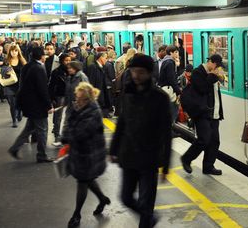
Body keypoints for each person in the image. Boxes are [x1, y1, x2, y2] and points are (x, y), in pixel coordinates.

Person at [110, 54, 172, 228]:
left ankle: (147, 220)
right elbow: (121, 123)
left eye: (140, 72)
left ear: (150, 73)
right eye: (133, 71)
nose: (136, 75)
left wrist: (165, 166)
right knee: (125, 197)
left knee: (146, 203)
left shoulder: (160, 98)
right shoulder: (128, 92)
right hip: (128, 155)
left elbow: (166, 133)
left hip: (149, 158)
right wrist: (113, 149)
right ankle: (149, 218)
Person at [62, 82, 110, 228]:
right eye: (76, 98)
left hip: (90, 154)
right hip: (81, 153)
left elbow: (80, 133)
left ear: (87, 100)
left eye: (78, 99)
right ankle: (102, 199)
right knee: (87, 180)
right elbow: (70, 125)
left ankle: (77, 214)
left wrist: (67, 136)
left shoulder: (94, 112)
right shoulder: (80, 108)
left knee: (83, 181)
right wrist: (73, 113)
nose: (76, 101)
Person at [8, 46, 55, 163]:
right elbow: (42, 89)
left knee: (29, 129)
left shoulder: (28, 66)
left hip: (28, 104)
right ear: (41, 56)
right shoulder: (39, 68)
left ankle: (14, 148)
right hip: (37, 106)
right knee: (43, 130)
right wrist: (48, 105)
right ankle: (42, 155)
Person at [180, 54, 225, 175]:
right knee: (204, 139)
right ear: (211, 62)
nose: (217, 69)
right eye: (217, 66)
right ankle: (186, 159)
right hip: (201, 112)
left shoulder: (213, 75)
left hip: (214, 113)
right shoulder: (197, 72)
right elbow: (203, 88)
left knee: (214, 141)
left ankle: (208, 166)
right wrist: (213, 75)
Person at [0, 44, 27, 127]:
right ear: (9, 51)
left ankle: (19, 112)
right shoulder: (6, 60)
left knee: (18, 102)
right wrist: (5, 71)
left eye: (15, 50)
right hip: (9, 85)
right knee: (12, 104)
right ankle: (14, 120)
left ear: (18, 51)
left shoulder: (22, 61)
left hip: (20, 85)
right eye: (12, 51)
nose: (14, 52)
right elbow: (1, 71)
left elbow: (26, 73)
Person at [48, 53, 70, 145]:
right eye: (66, 60)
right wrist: (52, 98)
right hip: (59, 96)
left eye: (69, 60)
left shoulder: (72, 71)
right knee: (58, 117)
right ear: (61, 61)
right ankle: (57, 135)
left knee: (69, 116)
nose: (68, 62)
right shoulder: (56, 72)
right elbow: (51, 86)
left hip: (69, 95)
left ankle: (67, 136)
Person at [157, 45, 182, 122]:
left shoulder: (165, 61)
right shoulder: (170, 63)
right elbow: (172, 79)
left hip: (163, 89)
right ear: (171, 53)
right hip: (169, 90)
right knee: (173, 112)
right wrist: (178, 92)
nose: (177, 54)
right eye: (176, 52)